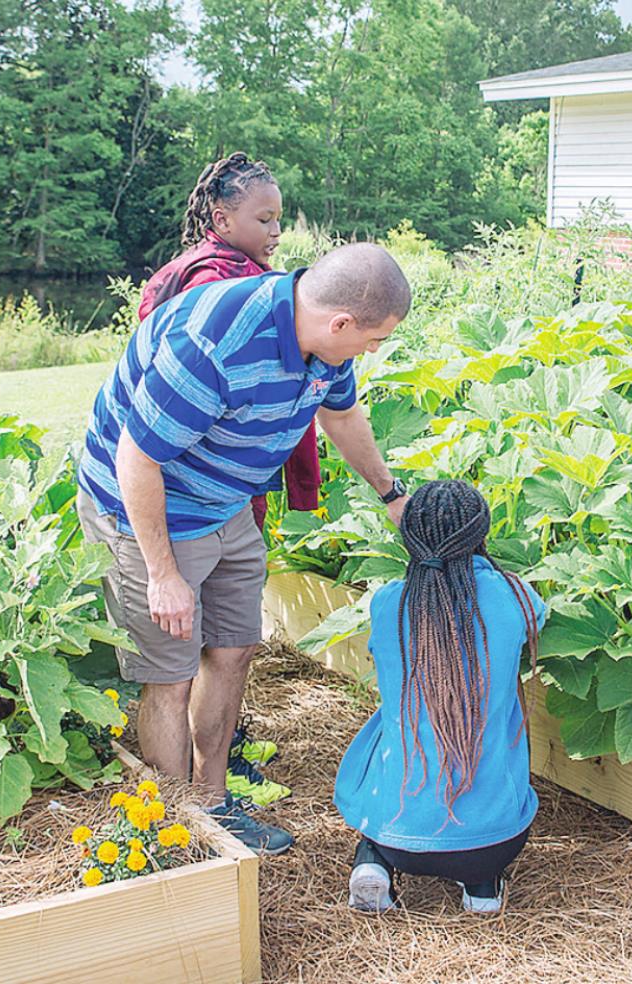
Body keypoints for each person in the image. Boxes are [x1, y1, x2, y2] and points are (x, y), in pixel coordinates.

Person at [77, 243, 414, 854]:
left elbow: (341, 416)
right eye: (374, 341)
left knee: (233, 650)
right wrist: (162, 574)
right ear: (340, 323)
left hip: (226, 503)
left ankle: (212, 802)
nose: (372, 353)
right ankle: (178, 829)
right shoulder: (214, 345)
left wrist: (391, 494)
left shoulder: (322, 342)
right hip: (150, 510)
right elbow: (137, 458)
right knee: (170, 674)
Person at [333, 479, 545, 916]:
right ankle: (481, 886)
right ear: (481, 535)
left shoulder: (389, 602)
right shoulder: (514, 597)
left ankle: (373, 863)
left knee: (392, 735)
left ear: (409, 536)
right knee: (487, 771)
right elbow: (535, 618)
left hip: (399, 841)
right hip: (496, 842)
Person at [138, 151, 322, 533]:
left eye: (279, 220)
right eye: (264, 220)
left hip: (229, 460)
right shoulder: (212, 282)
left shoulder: (250, 274)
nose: (276, 232)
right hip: (205, 463)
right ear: (221, 219)